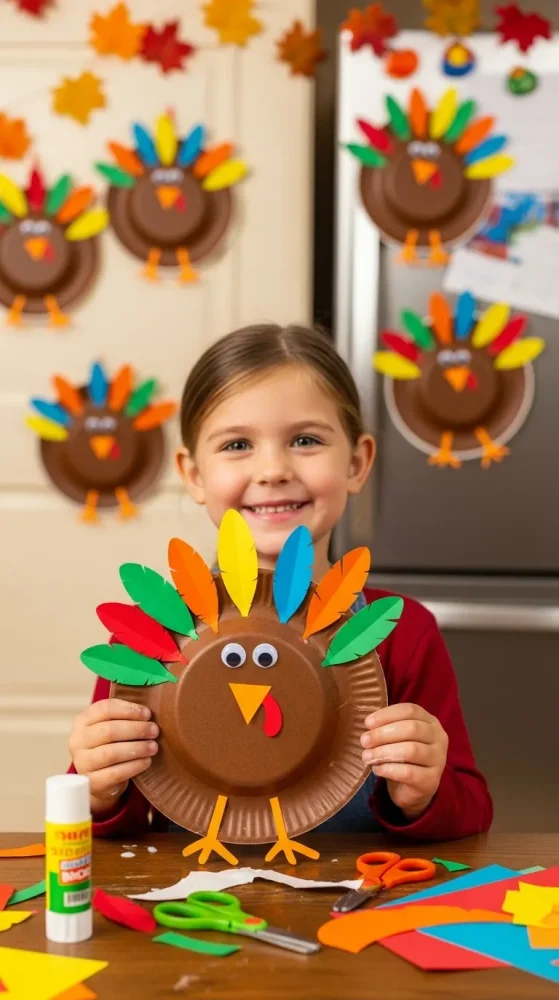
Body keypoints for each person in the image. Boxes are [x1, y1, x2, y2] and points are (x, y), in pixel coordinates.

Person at [69, 323, 493, 840]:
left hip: (353, 904)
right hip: (194, 910)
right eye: (238, 444)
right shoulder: (148, 639)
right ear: (194, 475)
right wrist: (95, 789)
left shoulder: (403, 635)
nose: (272, 469)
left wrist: (423, 792)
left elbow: (471, 811)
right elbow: (109, 827)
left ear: (357, 463)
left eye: (305, 440)